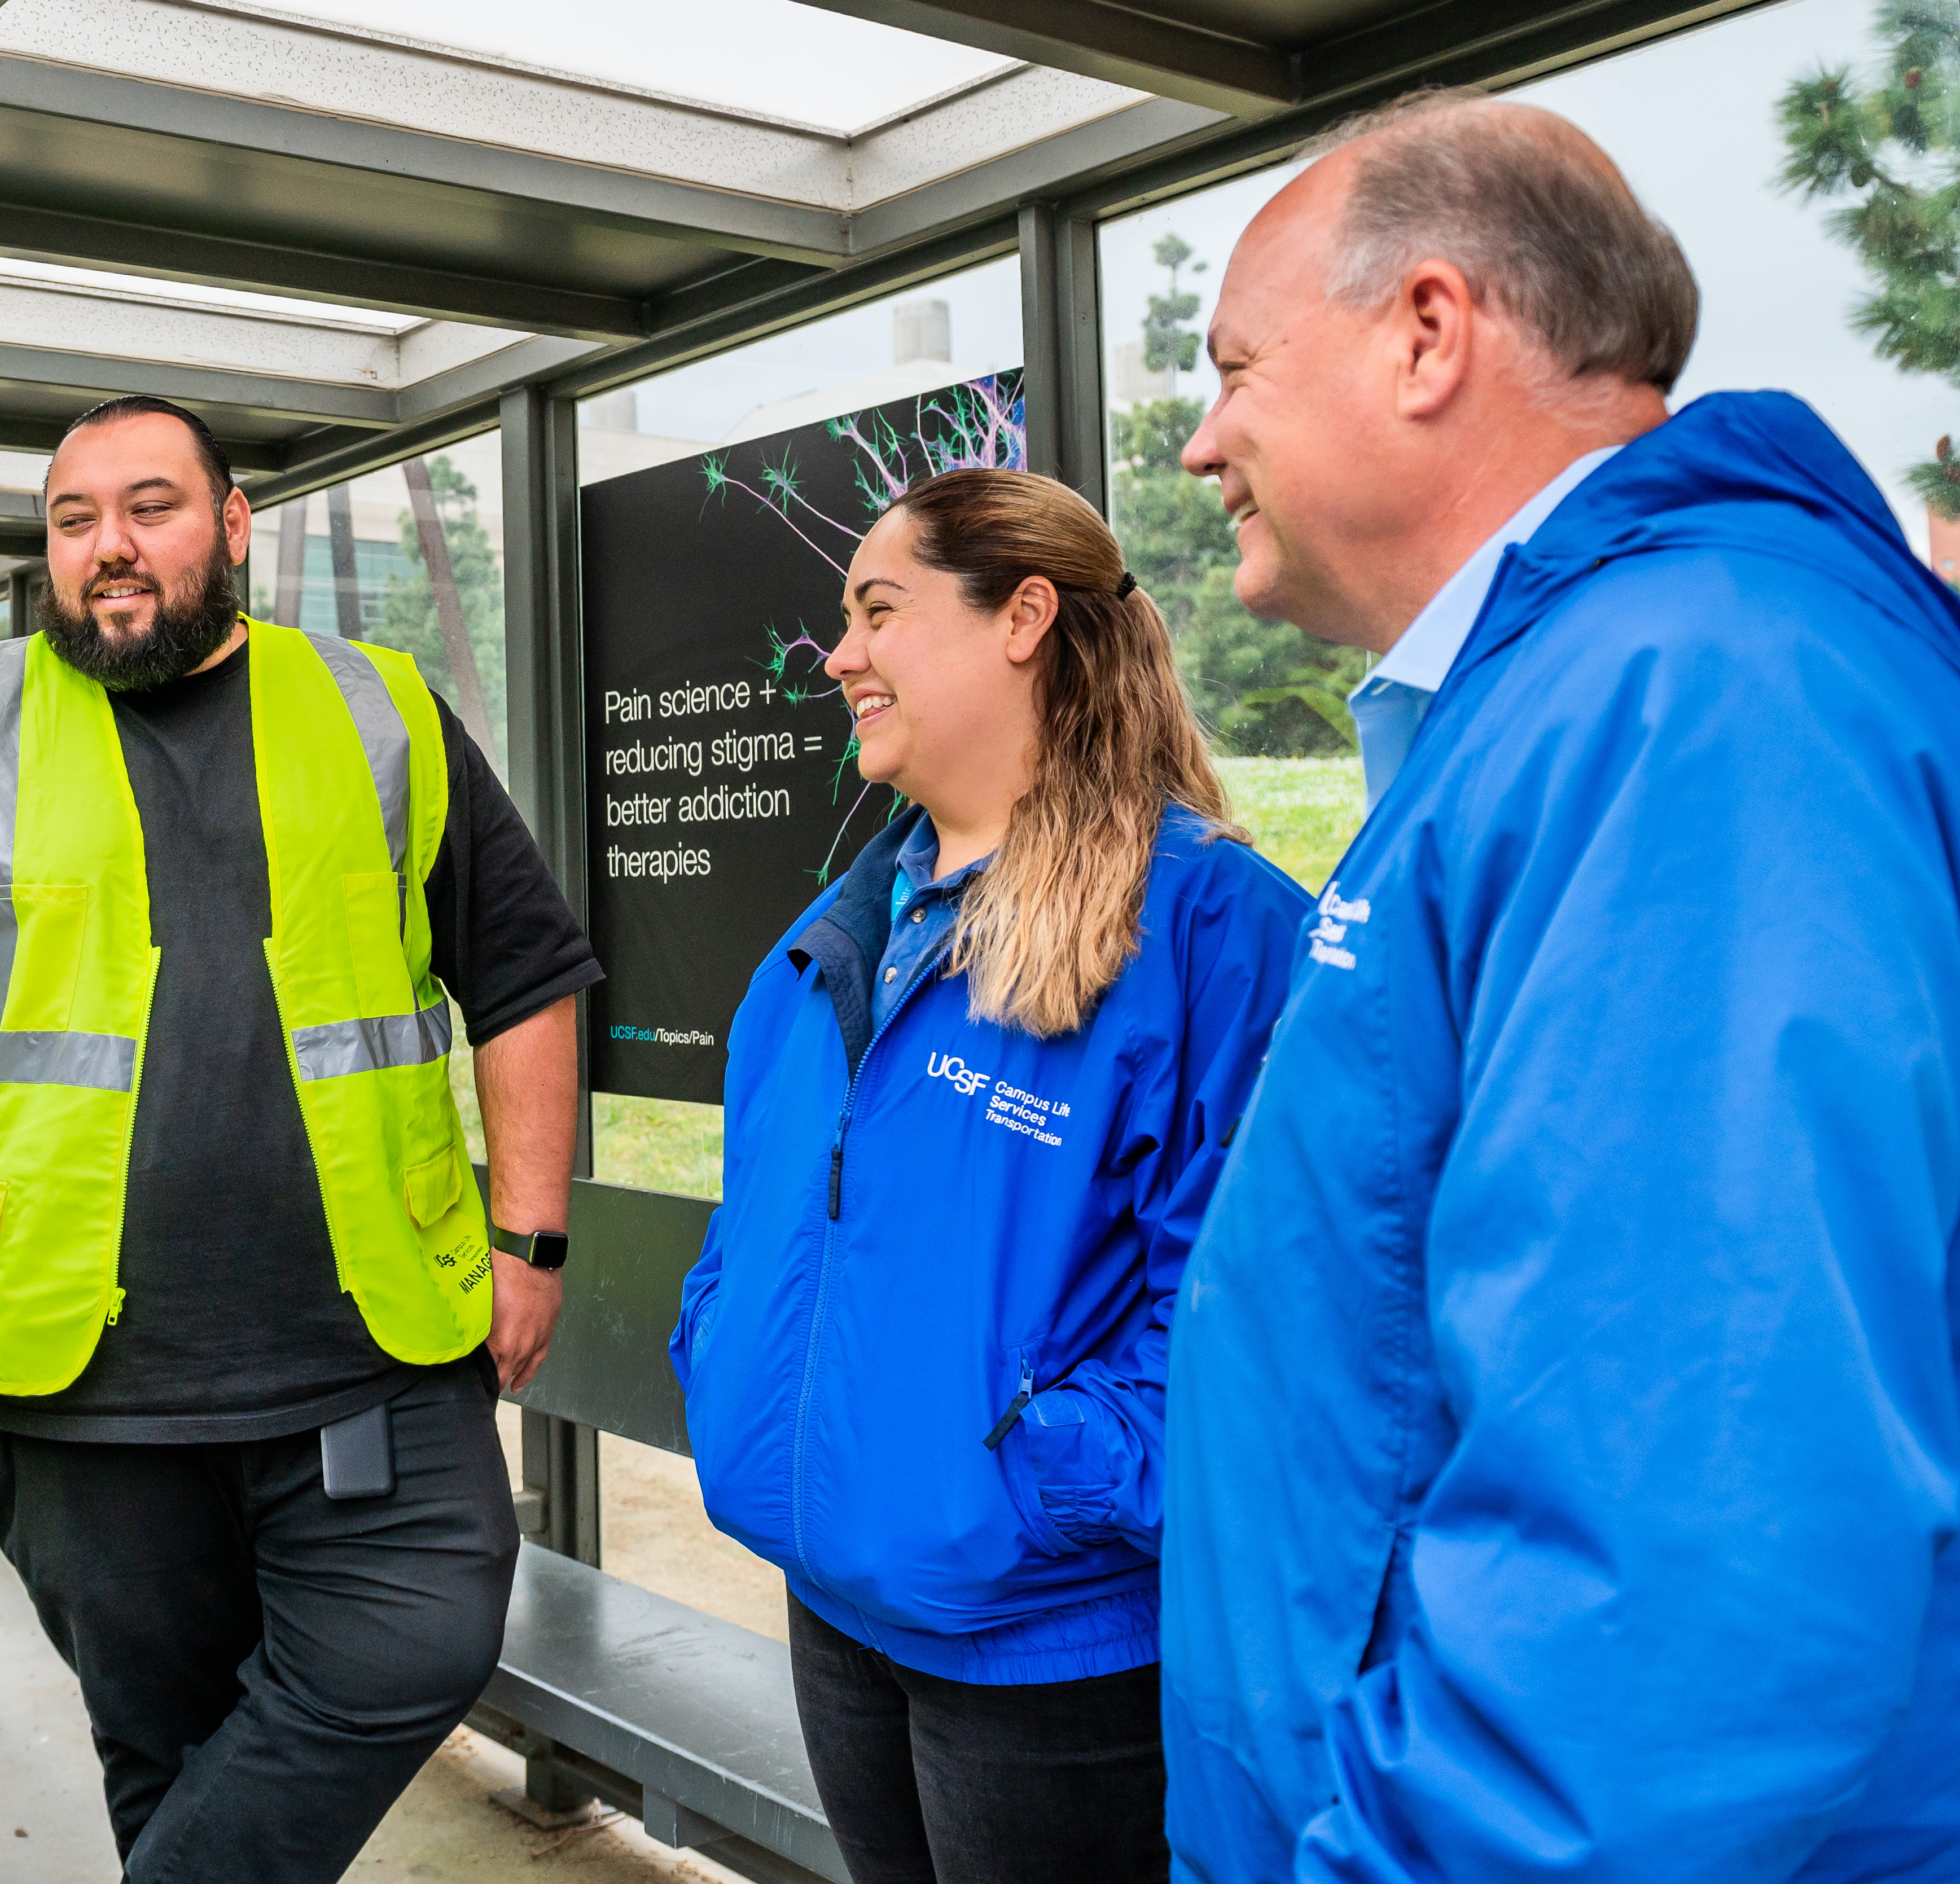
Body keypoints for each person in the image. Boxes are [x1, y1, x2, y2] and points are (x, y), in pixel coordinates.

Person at [1164, 92, 1960, 1881]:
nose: (1207, 442)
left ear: (1428, 334)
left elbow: (1681, 1570)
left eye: (1234, 369)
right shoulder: (1578, 696)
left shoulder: (1695, 702)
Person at [0, 395, 599, 1880]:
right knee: (165, 1747)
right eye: (73, 521)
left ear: (235, 524)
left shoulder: (378, 705)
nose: (108, 549)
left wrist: (531, 1232)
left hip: (372, 1339)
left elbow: (524, 973)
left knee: (420, 1637)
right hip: (74, 1375)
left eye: (150, 507)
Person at [669, 468, 1308, 1883]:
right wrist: (723, 1344)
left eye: (878, 610)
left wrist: (1046, 1472)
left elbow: (1260, 1309)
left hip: (1046, 1637)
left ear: (1022, 615)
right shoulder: (840, 927)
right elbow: (764, 1217)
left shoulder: (1209, 923)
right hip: (836, 1592)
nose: (838, 655)